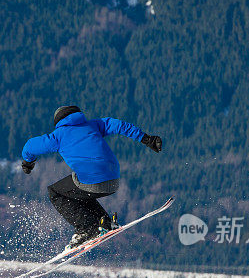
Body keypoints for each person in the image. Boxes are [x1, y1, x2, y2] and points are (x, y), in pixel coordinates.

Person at [20, 105, 162, 249]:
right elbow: (119, 125)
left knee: (56, 192)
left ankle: (86, 229)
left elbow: (30, 145)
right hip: (114, 180)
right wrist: (147, 139)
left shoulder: (59, 136)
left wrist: (28, 162)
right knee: (79, 191)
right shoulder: (93, 125)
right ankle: (104, 222)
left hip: (93, 181)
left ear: (58, 121)